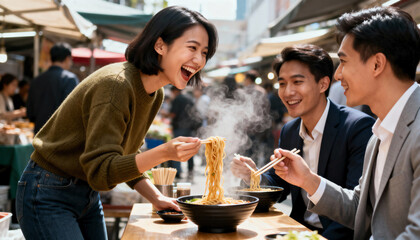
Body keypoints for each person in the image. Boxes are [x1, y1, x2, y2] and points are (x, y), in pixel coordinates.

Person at [16, 6, 217, 240]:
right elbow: (102, 172)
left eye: (204, 52)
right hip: (47, 191)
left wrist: (156, 197)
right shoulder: (117, 84)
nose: (199, 60)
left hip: (86, 195)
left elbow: (126, 155)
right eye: (192, 47)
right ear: (160, 45)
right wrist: (164, 152)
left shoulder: (155, 93)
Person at [271, 7, 420, 240]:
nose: (338, 75)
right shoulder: (379, 132)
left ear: (376, 65)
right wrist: (308, 180)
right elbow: (360, 210)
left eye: (343, 61)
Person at [231, 44, 375, 240]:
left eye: (297, 82)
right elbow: (278, 188)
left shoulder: (357, 128)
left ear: (323, 84)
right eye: (282, 84)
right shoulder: (290, 130)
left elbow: (356, 210)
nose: (288, 92)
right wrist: (252, 176)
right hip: (298, 230)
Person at [26, 42, 79, 134]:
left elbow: (30, 113)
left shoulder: (36, 80)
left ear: (51, 58)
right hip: (60, 136)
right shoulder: (70, 79)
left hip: (39, 134)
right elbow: (72, 112)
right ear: (67, 58)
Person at [167, 86, 197, 177]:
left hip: (179, 128)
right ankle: (190, 170)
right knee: (191, 148)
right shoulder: (189, 98)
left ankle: (178, 172)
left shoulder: (177, 99)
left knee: (178, 149)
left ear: (175, 91)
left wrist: (165, 114)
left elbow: (173, 114)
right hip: (190, 127)